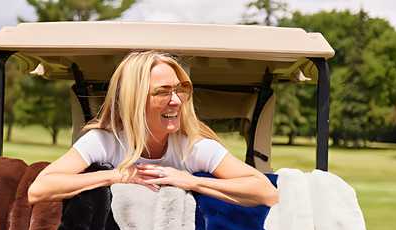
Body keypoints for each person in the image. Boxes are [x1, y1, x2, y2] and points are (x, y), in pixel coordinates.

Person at [27, 50, 277, 207]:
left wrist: (191, 181)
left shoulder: (192, 147)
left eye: (180, 90)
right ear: (134, 99)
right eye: (163, 92)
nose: (177, 100)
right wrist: (116, 176)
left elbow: (266, 191)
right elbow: (39, 189)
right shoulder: (104, 142)